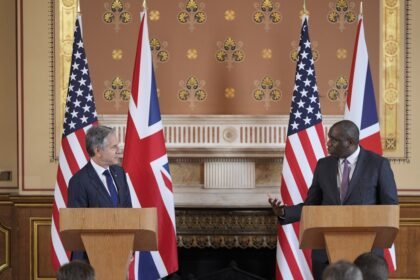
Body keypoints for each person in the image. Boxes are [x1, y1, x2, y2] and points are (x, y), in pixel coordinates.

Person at [268, 120, 398, 280]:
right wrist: (284, 212)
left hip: (366, 255)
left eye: (334, 139)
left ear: (350, 142)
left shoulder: (378, 164)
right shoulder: (323, 165)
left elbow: (390, 207)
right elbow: (312, 206)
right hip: (326, 254)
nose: (328, 143)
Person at [67, 125, 132, 261]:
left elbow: (128, 211)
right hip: (91, 258)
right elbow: (77, 225)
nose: (118, 150)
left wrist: (129, 246)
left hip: (119, 253)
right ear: (98, 150)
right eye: (113, 147)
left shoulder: (119, 173)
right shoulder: (79, 181)